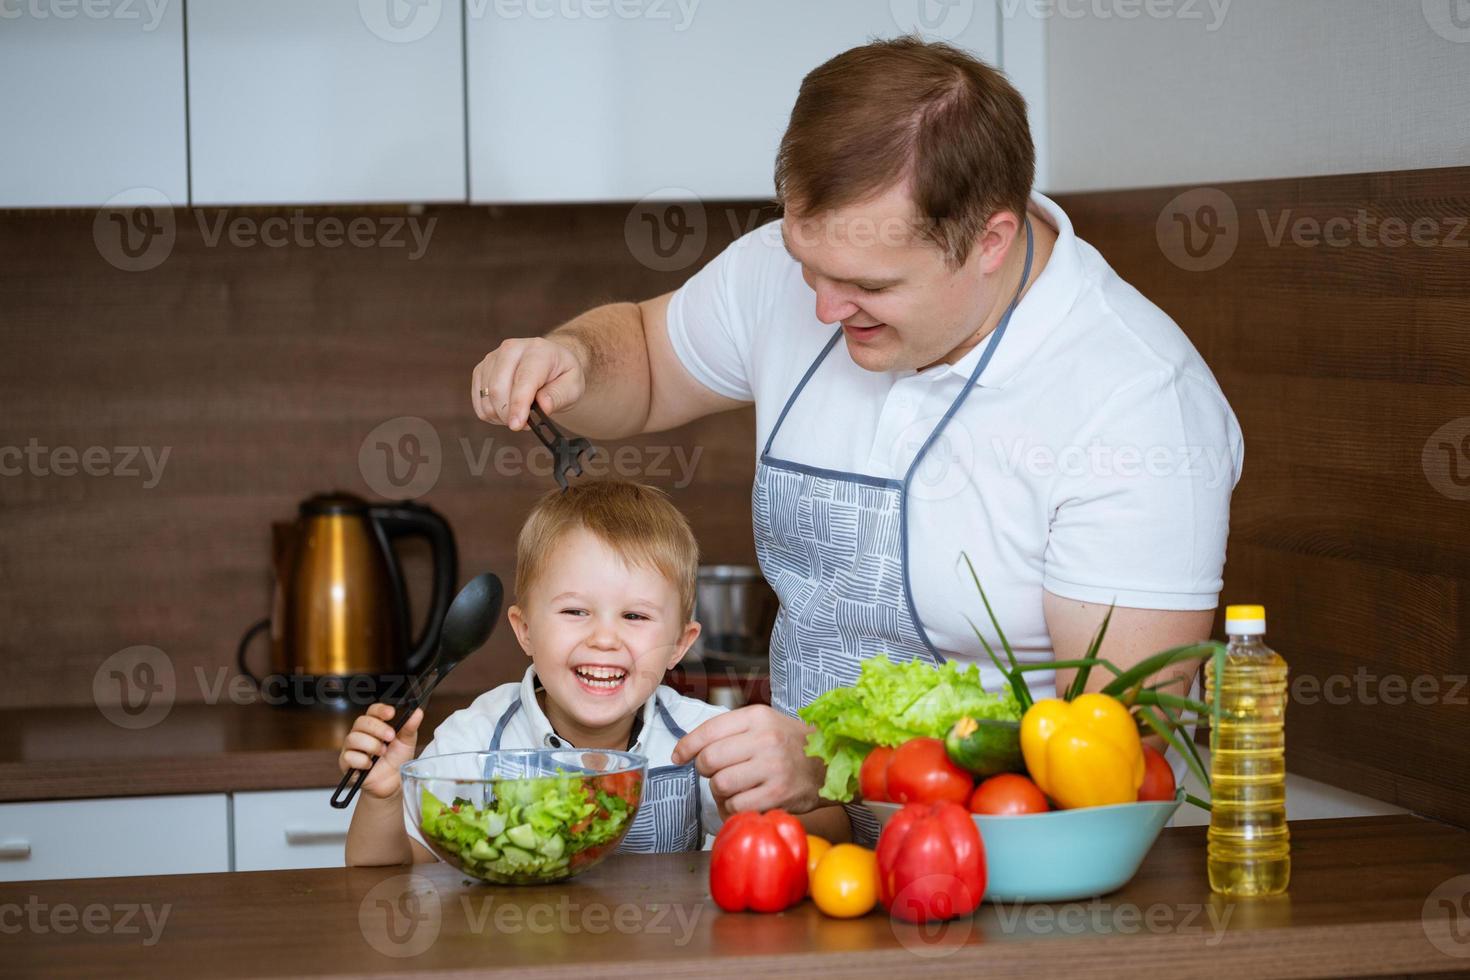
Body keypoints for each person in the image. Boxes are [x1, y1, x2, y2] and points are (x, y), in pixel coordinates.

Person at [469, 38, 1243, 836]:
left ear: (990, 241)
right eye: (809, 264)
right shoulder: (796, 271)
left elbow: (1118, 745)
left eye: (870, 286)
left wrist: (835, 760)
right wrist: (573, 359)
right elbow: (651, 358)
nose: (824, 311)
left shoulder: (1137, 404)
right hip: (823, 862)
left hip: (1024, 889)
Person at [339, 480, 849, 865]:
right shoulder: (474, 740)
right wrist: (382, 798)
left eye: (635, 616)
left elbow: (835, 827)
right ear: (524, 631)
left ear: (680, 645)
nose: (604, 638)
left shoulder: (703, 738)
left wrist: (767, 817)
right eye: (575, 611)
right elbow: (389, 873)